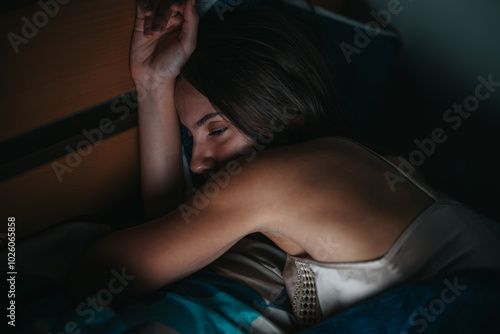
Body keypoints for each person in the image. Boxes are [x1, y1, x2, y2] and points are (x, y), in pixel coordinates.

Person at [67, 0, 500, 326]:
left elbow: (112, 270)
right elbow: (178, 234)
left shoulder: (273, 180)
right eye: (193, 136)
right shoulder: (383, 166)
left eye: (216, 130)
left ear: (285, 110)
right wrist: (153, 84)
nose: (196, 163)